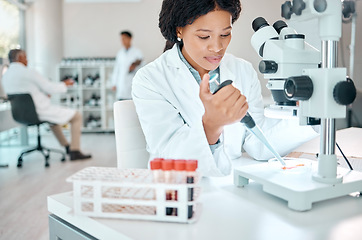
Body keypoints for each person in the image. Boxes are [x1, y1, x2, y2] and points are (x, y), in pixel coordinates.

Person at [132, 0, 318, 177]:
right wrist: (210, 126)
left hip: (233, 187)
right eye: (204, 36)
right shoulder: (151, 79)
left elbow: (257, 142)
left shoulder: (243, 70)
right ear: (179, 30)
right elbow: (167, 154)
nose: (217, 47)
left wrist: (311, 114)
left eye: (225, 34)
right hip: (186, 191)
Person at [2, 49, 91, 161]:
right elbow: (49, 87)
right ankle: (75, 151)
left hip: (20, 114)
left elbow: (25, 94)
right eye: (25, 57)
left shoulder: (5, 76)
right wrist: (65, 84)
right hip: (39, 111)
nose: (27, 60)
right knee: (76, 116)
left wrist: (43, 95)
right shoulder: (29, 72)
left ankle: (67, 147)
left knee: (53, 121)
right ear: (19, 58)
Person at [111, 31, 143, 100]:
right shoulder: (120, 53)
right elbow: (117, 69)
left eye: (124, 38)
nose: (123, 41)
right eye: (121, 39)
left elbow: (142, 68)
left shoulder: (137, 53)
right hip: (121, 85)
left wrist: (134, 67)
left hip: (132, 84)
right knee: (121, 106)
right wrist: (114, 83)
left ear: (130, 38)